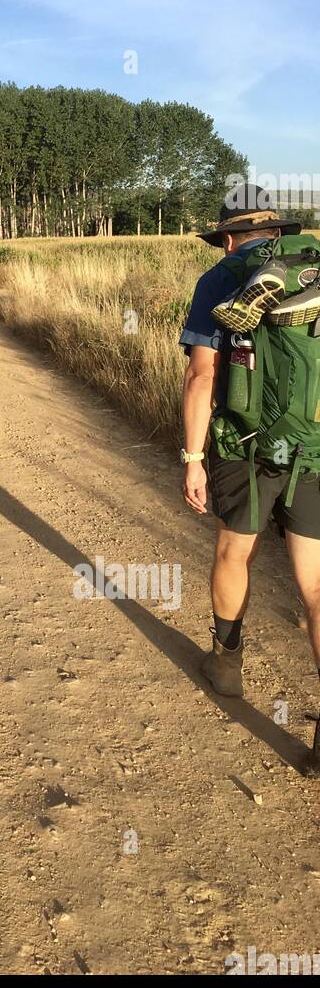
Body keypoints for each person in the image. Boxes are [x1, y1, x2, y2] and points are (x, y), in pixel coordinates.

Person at [180, 184, 320, 777]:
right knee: (315, 588)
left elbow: (202, 377)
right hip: (313, 447)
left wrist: (191, 456)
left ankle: (227, 662)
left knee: (234, 551)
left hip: (245, 444)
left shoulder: (218, 280)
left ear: (230, 237)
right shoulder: (314, 269)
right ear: (280, 232)